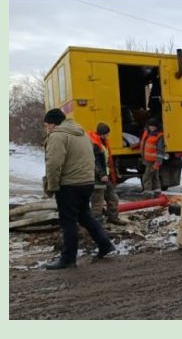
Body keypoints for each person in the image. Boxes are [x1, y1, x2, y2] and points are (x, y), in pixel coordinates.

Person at [42, 109, 115, 270]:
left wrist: (52, 186)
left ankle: (68, 258)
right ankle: (105, 245)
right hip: (86, 183)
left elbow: (53, 164)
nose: (46, 128)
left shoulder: (58, 135)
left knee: (68, 221)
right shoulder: (81, 134)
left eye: (47, 125)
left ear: (53, 123)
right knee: (84, 216)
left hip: (69, 185)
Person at [87, 123, 129, 225]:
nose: (107, 136)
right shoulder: (95, 145)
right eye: (106, 134)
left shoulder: (101, 142)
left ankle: (113, 217)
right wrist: (102, 174)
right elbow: (95, 162)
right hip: (97, 177)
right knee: (97, 201)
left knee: (112, 197)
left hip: (105, 176)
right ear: (102, 134)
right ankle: (97, 223)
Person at [140, 117, 165, 197]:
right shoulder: (147, 133)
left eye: (153, 126)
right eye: (150, 126)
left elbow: (160, 151)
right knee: (154, 176)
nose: (152, 128)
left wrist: (157, 162)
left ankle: (148, 192)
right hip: (148, 159)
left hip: (153, 161)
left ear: (157, 127)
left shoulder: (158, 136)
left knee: (147, 177)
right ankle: (157, 192)